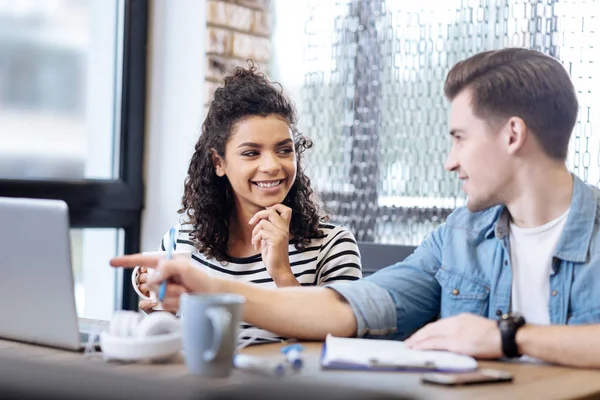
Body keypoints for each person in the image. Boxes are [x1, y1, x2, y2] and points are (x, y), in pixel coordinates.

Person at [112, 48, 600, 368]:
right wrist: (209, 286)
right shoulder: (458, 239)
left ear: (512, 135)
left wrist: (510, 337)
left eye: (458, 138)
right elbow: (347, 309)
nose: (450, 161)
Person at [133, 64, 362, 344]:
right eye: (252, 153)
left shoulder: (333, 246)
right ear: (219, 163)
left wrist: (282, 273)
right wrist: (159, 311)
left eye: (284, 150)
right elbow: (171, 344)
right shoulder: (181, 244)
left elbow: (340, 343)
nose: (272, 165)